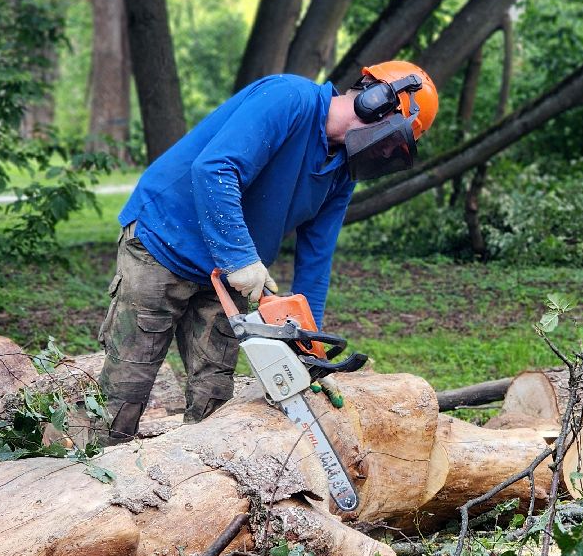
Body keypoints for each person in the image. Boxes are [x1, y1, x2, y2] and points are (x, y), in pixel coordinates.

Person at [96, 61, 439, 440]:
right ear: (377, 101)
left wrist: (307, 342)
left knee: (214, 396)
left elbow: (316, 258)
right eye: (393, 135)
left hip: (226, 277)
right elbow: (214, 169)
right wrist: (241, 258)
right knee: (126, 385)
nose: (388, 148)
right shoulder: (288, 98)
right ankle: (89, 478)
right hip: (165, 242)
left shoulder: (341, 171)